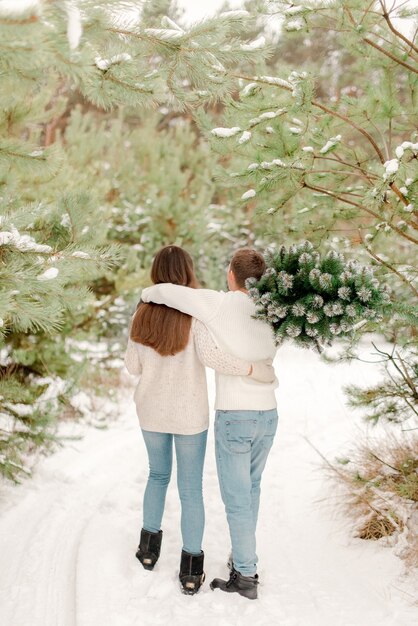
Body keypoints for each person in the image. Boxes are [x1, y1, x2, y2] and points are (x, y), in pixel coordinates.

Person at [124, 245, 274, 596]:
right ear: (188, 272)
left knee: (157, 475)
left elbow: (133, 366)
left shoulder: (141, 315)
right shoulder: (195, 317)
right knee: (191, 489)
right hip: (190, 415)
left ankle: (148, 551)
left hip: (151, 412)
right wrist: (253, 369)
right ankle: (191, 570)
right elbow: (210, 357)